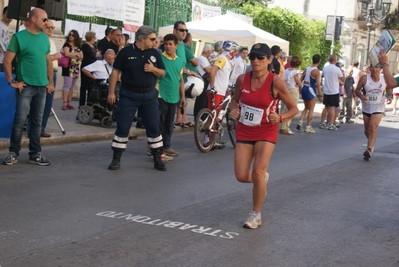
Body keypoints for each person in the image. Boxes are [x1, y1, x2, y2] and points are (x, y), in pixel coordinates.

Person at [229, 43, 298, 229]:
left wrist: (281, 117)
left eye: (260, 58)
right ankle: (262, 180)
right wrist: (234, 110)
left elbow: (294, 109)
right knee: (242, 175)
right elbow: (234, 100)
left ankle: (255, 214)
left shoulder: (276, 82)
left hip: (266, 130)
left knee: (258, 171)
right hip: (245, 129)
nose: (256, 61)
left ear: (269, 60)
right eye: (252, 57)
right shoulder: (243, 79)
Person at [107, 25, 166, 171]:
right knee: (123, 126)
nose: (154, 41)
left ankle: (157, 158)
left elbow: (163, 73)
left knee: (153, 127)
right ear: (142, 38)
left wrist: (153, 69)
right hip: (129, 95)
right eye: (152, 39)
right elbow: (115, 72)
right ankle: (116, 158)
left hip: (150, 96)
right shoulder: (126, 52)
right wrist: (111, 92)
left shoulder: (155, 53)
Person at [2, 8, 54, 166]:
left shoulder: (44, 39)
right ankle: (13, 153)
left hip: (41, 86)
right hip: (26, 86)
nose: (46, 23)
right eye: (44, 20)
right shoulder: (19, 37)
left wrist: (50, 82)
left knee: (37, 121)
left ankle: (35, 154)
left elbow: (48, 61)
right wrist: (12, 81)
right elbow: (7, 60)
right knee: (20, 120)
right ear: (33, 19)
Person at [29, 20, 61, 138]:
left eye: (52, 28)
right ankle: (33, 130)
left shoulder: (50, 41)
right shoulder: (39, 40)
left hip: (53, 73)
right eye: (48, 27)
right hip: (44, 73)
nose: (51, 29)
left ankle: (42, 128)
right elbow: (41, 58)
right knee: (38, 104)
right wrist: (54, 57)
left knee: (48, 104)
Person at [206, 40, 240, 148]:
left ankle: (212, 141)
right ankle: (207, 140)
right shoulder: (222, 59)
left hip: (221, 91)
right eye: (235, 51)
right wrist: (212, 87)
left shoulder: (228, 62)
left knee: (216, 116)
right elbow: (212, 71)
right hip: (216, 91)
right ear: (232, 51)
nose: (236, 54)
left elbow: (223, 77)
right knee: (213, 116)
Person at [158, 34, 186, 160]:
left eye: (170, 44)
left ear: (176, 46)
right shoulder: (159, 58)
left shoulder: (179, 60)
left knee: (169, 123)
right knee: (160, 123)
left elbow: (180, 79)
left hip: (174, 96)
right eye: (166, 44)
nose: (168, 46)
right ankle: (155, 148)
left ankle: (166, 146)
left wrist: (183, 97)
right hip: (160, 95)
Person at [355, 63, 391, 161]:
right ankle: (371, 142)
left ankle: (369, 149)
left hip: (379, 107)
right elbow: (357, 90)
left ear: (380, 69)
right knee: (367, 130)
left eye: (377, 67)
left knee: (373, 127)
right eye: (373, 67)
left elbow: (389, 87)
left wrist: (389, 95)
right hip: (367, 106)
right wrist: (361, 96)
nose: (375, 69)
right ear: (370, 68)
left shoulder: (384, 78)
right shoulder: (364, 78)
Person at [296, 54, 322, 133]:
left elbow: (300, 80)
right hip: (311, 89)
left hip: (304, 88)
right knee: (311, 109)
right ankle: (308, 126)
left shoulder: (307, 69)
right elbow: (318, 84)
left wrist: (300, 89)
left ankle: (300, 122)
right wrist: (320, 94)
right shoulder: (317, 71)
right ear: (319, 61)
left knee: (306, 107)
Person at [319, 54, 345, 130]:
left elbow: (322, 76)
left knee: (326, 107)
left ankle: (322, 122)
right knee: (332, 108)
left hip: (326, 90)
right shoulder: (337, 69)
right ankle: (330, 124)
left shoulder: (325, 68)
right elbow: (343, 79)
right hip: (334, 90)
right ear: (335, 60)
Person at [61, 30, 83, 110]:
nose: (71, 36)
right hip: (68, 67)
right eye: (70, 34)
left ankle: (69, 102)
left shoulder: (79, 46)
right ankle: (64, 102)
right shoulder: (67, 45)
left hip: (75, 68)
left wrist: (75, 55)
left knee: (72, 86)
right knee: (67, 85)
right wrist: (76, 54)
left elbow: (81, 57)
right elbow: (67, 54)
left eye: (73, 35)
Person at [280, 56, 301, 135]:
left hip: (285, 90)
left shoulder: (286, 70)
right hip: (292, 90)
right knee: (292, 109)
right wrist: (298, 84)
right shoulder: (295, 72)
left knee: (284, 108)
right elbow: (299, 82)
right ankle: (286, 127)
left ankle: (282, 126)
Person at [80, 31, 101, 107]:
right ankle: (81, 104)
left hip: (93, 67)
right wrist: (99, 52)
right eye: (94, 37)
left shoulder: (94, 46)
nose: (95, 39)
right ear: (91, 38)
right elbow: (94, 55)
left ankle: (89, 104)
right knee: (84, 86)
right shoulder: (85, 46)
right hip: (86, 66)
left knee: (91, 86)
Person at [194, 44, 213, 119]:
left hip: (203, 82)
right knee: (201, 101)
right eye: (210, 52)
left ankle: (200, 116)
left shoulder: (203, 58)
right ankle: (199, 117)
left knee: (203, 100)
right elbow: (209, 70)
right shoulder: (202, 58)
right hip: (203, 82)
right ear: (208, 51)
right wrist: (212, 68)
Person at [0, 6, 13, 72]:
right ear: (3, 14)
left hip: (4, 60)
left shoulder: (6, 27)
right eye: (8, 15)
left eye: (11, 16)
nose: (10, 18)